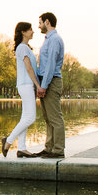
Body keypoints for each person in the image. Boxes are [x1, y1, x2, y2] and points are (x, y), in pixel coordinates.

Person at [2, 22, 40, 158]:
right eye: (30, 29)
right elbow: (29, 68)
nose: (33, 31)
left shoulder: (25, 48)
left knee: (25, 117)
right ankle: (9, 140)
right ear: (23, 32)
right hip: (26, 84)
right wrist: (38, 85)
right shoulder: (22, 48)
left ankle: (22, 148)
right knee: (30, 118)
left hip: (26, 85)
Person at [35, 12, 65, 158]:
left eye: (40, 22)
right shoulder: (48, 39)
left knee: (55, 117)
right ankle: (49, 147)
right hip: (46, 81)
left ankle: (58, 150)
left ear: (47, 22)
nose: (38, 26)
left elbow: (51, 65)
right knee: (48, 117)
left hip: (51, 81)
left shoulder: (54, 40)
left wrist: (44, 86)